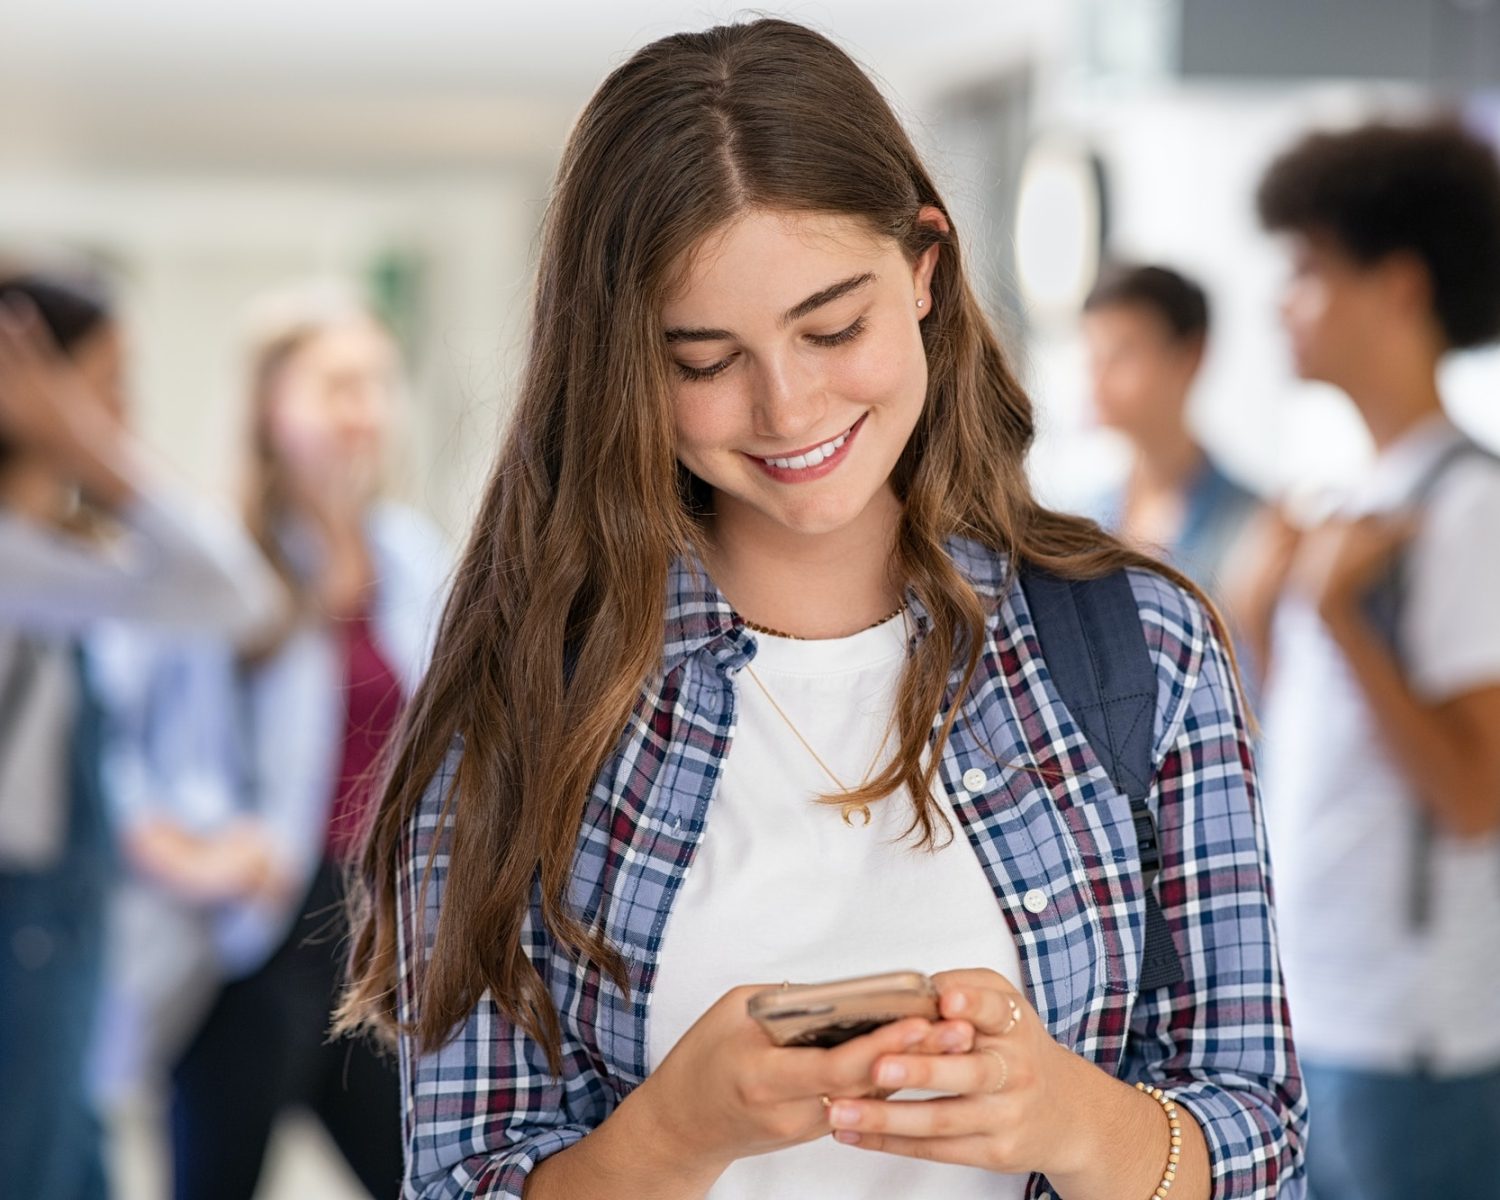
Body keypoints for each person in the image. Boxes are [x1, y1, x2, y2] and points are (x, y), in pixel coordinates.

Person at [339, 19, 1306, 1200]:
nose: (787, 407)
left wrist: (1064, 1114)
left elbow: (1261, 1139)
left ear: (925, 271)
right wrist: (674, 1137)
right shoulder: (527, 695)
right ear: (625, 365)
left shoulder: (1141, 646)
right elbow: (455, 1180)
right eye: (704, 360)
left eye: (832, 327)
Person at [88, 283, 451, 1200]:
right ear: (268, 407)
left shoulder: (409, 555)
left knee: (423, 1179)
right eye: (335, 386)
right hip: (245, 943)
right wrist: (179, 851)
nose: (363, 410)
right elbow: (106, 744)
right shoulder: (213, 563)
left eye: (375, 384)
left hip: (374, 939)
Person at [1240, 119, 1500, 1200]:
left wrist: (1339, 622)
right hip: (1324, 1012)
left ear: (1397, 285)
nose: (1281, 302)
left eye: (1307, 271)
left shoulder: (1470, 506)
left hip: (1414, 1039)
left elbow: (1476, 794)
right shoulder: (1355, 504)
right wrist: (1264, 616)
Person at [0, 271, 285, 1200]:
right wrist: (84, 442)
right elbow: (230, 591)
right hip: (27, 924)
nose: (124, 409)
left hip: (51, 930)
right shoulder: (18, 565)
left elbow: (231, 596)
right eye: (106, 378)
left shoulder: (48, 555)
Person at [1080, 263, 1261, 600]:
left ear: (1191, 356)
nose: (1098, 378)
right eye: (1094, 356)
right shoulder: (1081, 519)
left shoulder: (1252, 525)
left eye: (1122, 354)